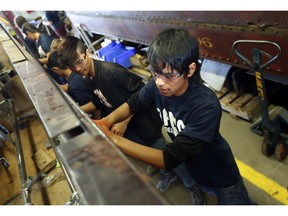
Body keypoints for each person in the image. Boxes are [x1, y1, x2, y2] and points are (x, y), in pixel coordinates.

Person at [95, 28, 254, 205]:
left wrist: (112, 139)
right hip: (196, 170)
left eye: (169, 75)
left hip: (222, 177)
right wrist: (105, 122)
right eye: (155, 73)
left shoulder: (205, 106)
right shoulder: (156, 87)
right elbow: (134, 103)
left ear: (190, 69)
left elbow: (170, 157)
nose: (160, 82)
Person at [57, 36, 164, 148]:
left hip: (146, 128)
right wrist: (74, 112)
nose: (77, 69)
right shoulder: (88, 79)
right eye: (72, 66)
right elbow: (97, 102)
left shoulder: (111, 71)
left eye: (79, 61)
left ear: (88, 52)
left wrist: (124, 121)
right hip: (131, 133)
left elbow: (142, 93)